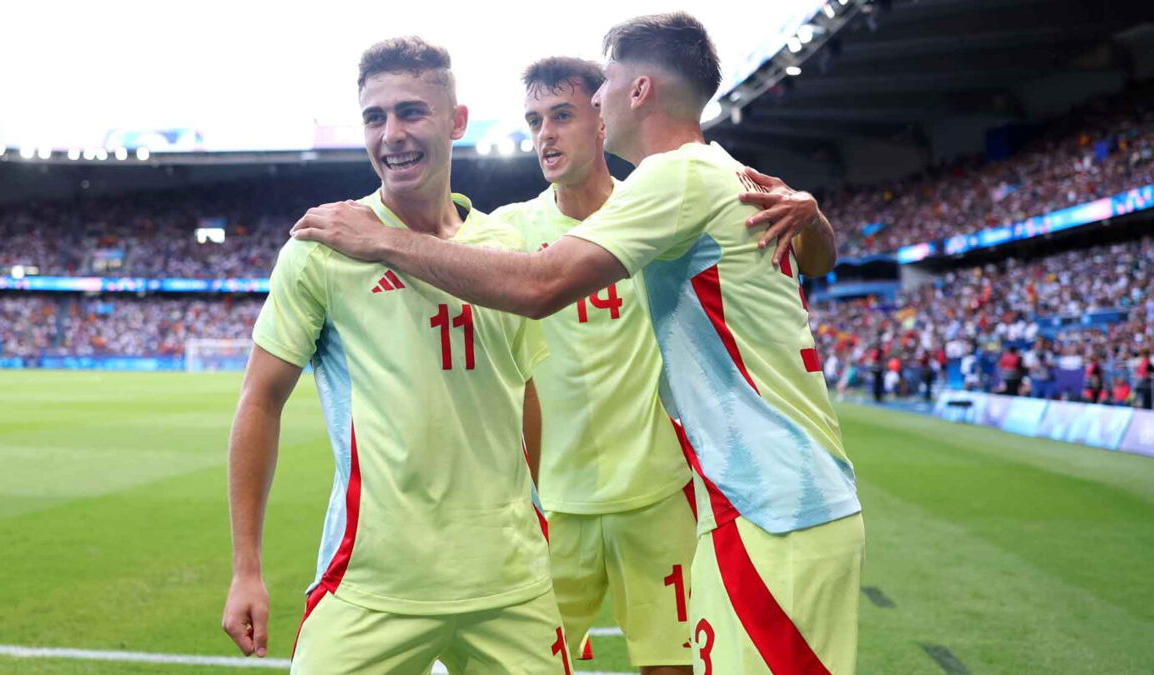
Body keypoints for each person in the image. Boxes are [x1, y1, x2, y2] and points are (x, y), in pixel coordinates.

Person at [293, 13, 863, 675]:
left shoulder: (670, 182)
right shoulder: (716, 175)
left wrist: (382, 238)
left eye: (596, 92)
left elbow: (539, 284)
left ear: (638, 92)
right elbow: (815, 258)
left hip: (760, 500)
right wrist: (814, 213)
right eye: (535, 120)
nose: (592, 104)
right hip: (657, 502)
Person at [221, 37, 570, 674]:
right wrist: (247, 568)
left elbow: (525, 393)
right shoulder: (322, 247)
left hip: (510, 581)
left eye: (412, 112)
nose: (392, 135)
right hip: (372, 581)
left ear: (457, 121)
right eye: (375, 117)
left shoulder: (507, 245)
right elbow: (260, 399)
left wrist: (534, 512)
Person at [488, 57, 835, 674]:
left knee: (671, 668)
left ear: (602, 118)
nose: (545, 134)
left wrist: (811, 212)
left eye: (562, 115)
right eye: (535, 120)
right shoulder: (511, 231)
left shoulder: (666, 209)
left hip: (657, 495)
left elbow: (811, 257)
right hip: (553, 506)